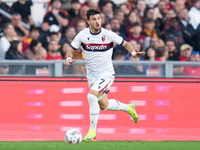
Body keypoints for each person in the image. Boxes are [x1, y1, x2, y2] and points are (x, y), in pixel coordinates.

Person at [64, 9, 145, 142]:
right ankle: (129, 108)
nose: (97, 21)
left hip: (106, 74)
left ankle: (92, 130)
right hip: (92, 76)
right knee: (104, 105)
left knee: (91, 96)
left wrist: (133, 53)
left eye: (99, 18)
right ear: (88, 21)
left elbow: (126, 43)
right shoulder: (82, 35)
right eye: (94, 19)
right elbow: (71, 49)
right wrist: (68, 58)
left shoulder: (108, 34)